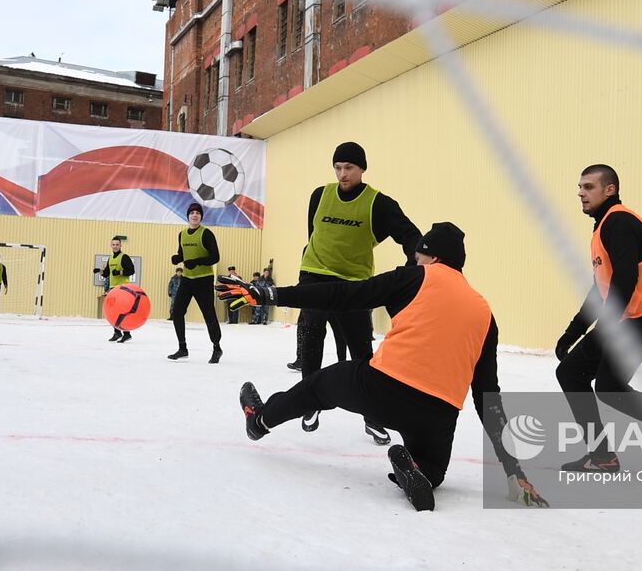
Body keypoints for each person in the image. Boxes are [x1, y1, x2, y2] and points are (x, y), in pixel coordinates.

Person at [227, 222, 548, 512]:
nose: (416, 261)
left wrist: (271, 294)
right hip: (438, 415)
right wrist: (513, 470)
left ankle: (260, 421)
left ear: (431, 257)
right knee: (434, 470)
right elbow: (487, 395)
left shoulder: (416, 277)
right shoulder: (484, 313)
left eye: (420, 256)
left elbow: (342, 294)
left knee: (319, 386)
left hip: (382, 388)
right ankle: (416, 468)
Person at [554, 164, 642, 473]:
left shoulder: (619, 222)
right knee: (574, 374)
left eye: (588, 186)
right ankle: (604, 455)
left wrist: (604, 328)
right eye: (579, 187)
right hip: (627, 320)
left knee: (606, 387)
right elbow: (600, 287)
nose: (580, 192)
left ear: (610, 189)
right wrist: (573, 331)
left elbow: (626, 279)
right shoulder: (603, 227)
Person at [294, 141, 421, 444]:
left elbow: (411, 235)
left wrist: (410, 270)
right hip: (315, 274)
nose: (342, 174)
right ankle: (310, 402)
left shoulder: (378, 203)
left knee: (363, 353)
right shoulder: (320, 195)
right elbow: (315, 235)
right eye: (338, 168)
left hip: (353, 283)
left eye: (349, 168)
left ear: (362, 169)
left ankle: (373, 417)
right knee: (311, 334)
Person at [169, 203, 223, 363]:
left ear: (201, 216)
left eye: (197, 213)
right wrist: (177, 258)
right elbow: (182, 253)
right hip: (187, 279)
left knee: (209, 314)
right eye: (192, 213)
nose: (194, 215)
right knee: (177, 312)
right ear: (188, 216)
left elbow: (215, 257)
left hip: (204, 280)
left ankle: (216, 347)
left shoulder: (206, 234)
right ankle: (182, 348)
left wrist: (197, 262)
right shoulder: (182, 234)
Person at [96, 237, 137, 343]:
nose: (115, 246)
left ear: (120, 245)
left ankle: (127, 333)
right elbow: (106, 274)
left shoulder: (124, 257)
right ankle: (117, 332)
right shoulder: (111, 258)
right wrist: (99, 271)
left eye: (117, 244)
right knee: (113, 311)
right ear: (111, 246)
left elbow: (131, 271)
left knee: (122, 311)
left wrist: (119, 273)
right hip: (113, 288)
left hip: (123, 288)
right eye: (113, 244)